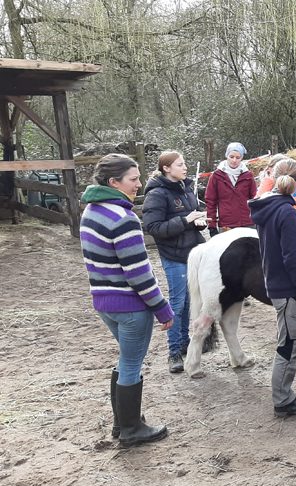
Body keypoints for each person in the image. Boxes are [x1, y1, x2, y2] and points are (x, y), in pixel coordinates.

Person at [80, 153, 174, 447]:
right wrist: (162, 308)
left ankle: (122, 425)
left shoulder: (91, 211)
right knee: (132, 363)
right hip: (131, 305)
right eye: (133, 179)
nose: (139, 184)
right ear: (113, 182)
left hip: (104, 302)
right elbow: (139, 274)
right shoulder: (124, 218)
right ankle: (132, 429)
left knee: (126, 360)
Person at [248, 174, 296, 417]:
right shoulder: (286, 213)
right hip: (288, 289)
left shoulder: (267, 208)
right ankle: (282, 399)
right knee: (289, 343)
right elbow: (293, 256)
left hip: (278, 284)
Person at [142, 150, 207, 373]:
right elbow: (153, 228)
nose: (185, 167)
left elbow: (190, 218)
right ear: (166, 168)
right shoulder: (157, 194)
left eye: (184, 163)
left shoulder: (186, 188)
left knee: (189, 303)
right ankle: (173, 352)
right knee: (177, 303)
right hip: (173, 255)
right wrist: (185, 220)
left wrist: (199, 222)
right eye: (180, 164)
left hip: (192, 253)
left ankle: (185, 344)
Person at [205, 142, 257, 236]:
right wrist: (212, 225)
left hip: (248, 223)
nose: (234, 160)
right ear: (226, 156)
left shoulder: (248, 175)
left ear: (242, 158)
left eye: (238, 157)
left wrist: (259, 219)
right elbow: (210, 201)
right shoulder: (216, 176)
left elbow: (255, 198)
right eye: (231, 156)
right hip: (227, 225)